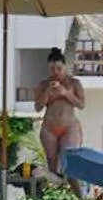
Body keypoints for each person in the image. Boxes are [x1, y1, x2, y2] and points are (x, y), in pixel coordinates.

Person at [32, 48, 86, 176]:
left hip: (69, 126)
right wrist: (47, 93)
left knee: (67, 160)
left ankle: (70, 188)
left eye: (58, 68)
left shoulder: (74, 83)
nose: (55, 72)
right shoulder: (43, 84)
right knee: (52, 162)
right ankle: (55, 190)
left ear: (64, 67)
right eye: (52, 69)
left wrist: (65, 93)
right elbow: (38, 107)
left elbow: (81, 105)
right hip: (49, 127)